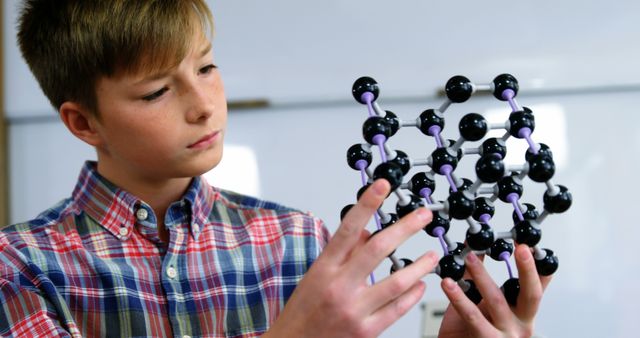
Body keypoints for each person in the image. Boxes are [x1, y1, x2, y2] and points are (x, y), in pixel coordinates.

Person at [0, 1, 551, 337]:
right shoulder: (21, 267)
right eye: (156, 92)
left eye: (207, 66)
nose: (204, 104)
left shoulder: (296, 238)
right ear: (83, 122)